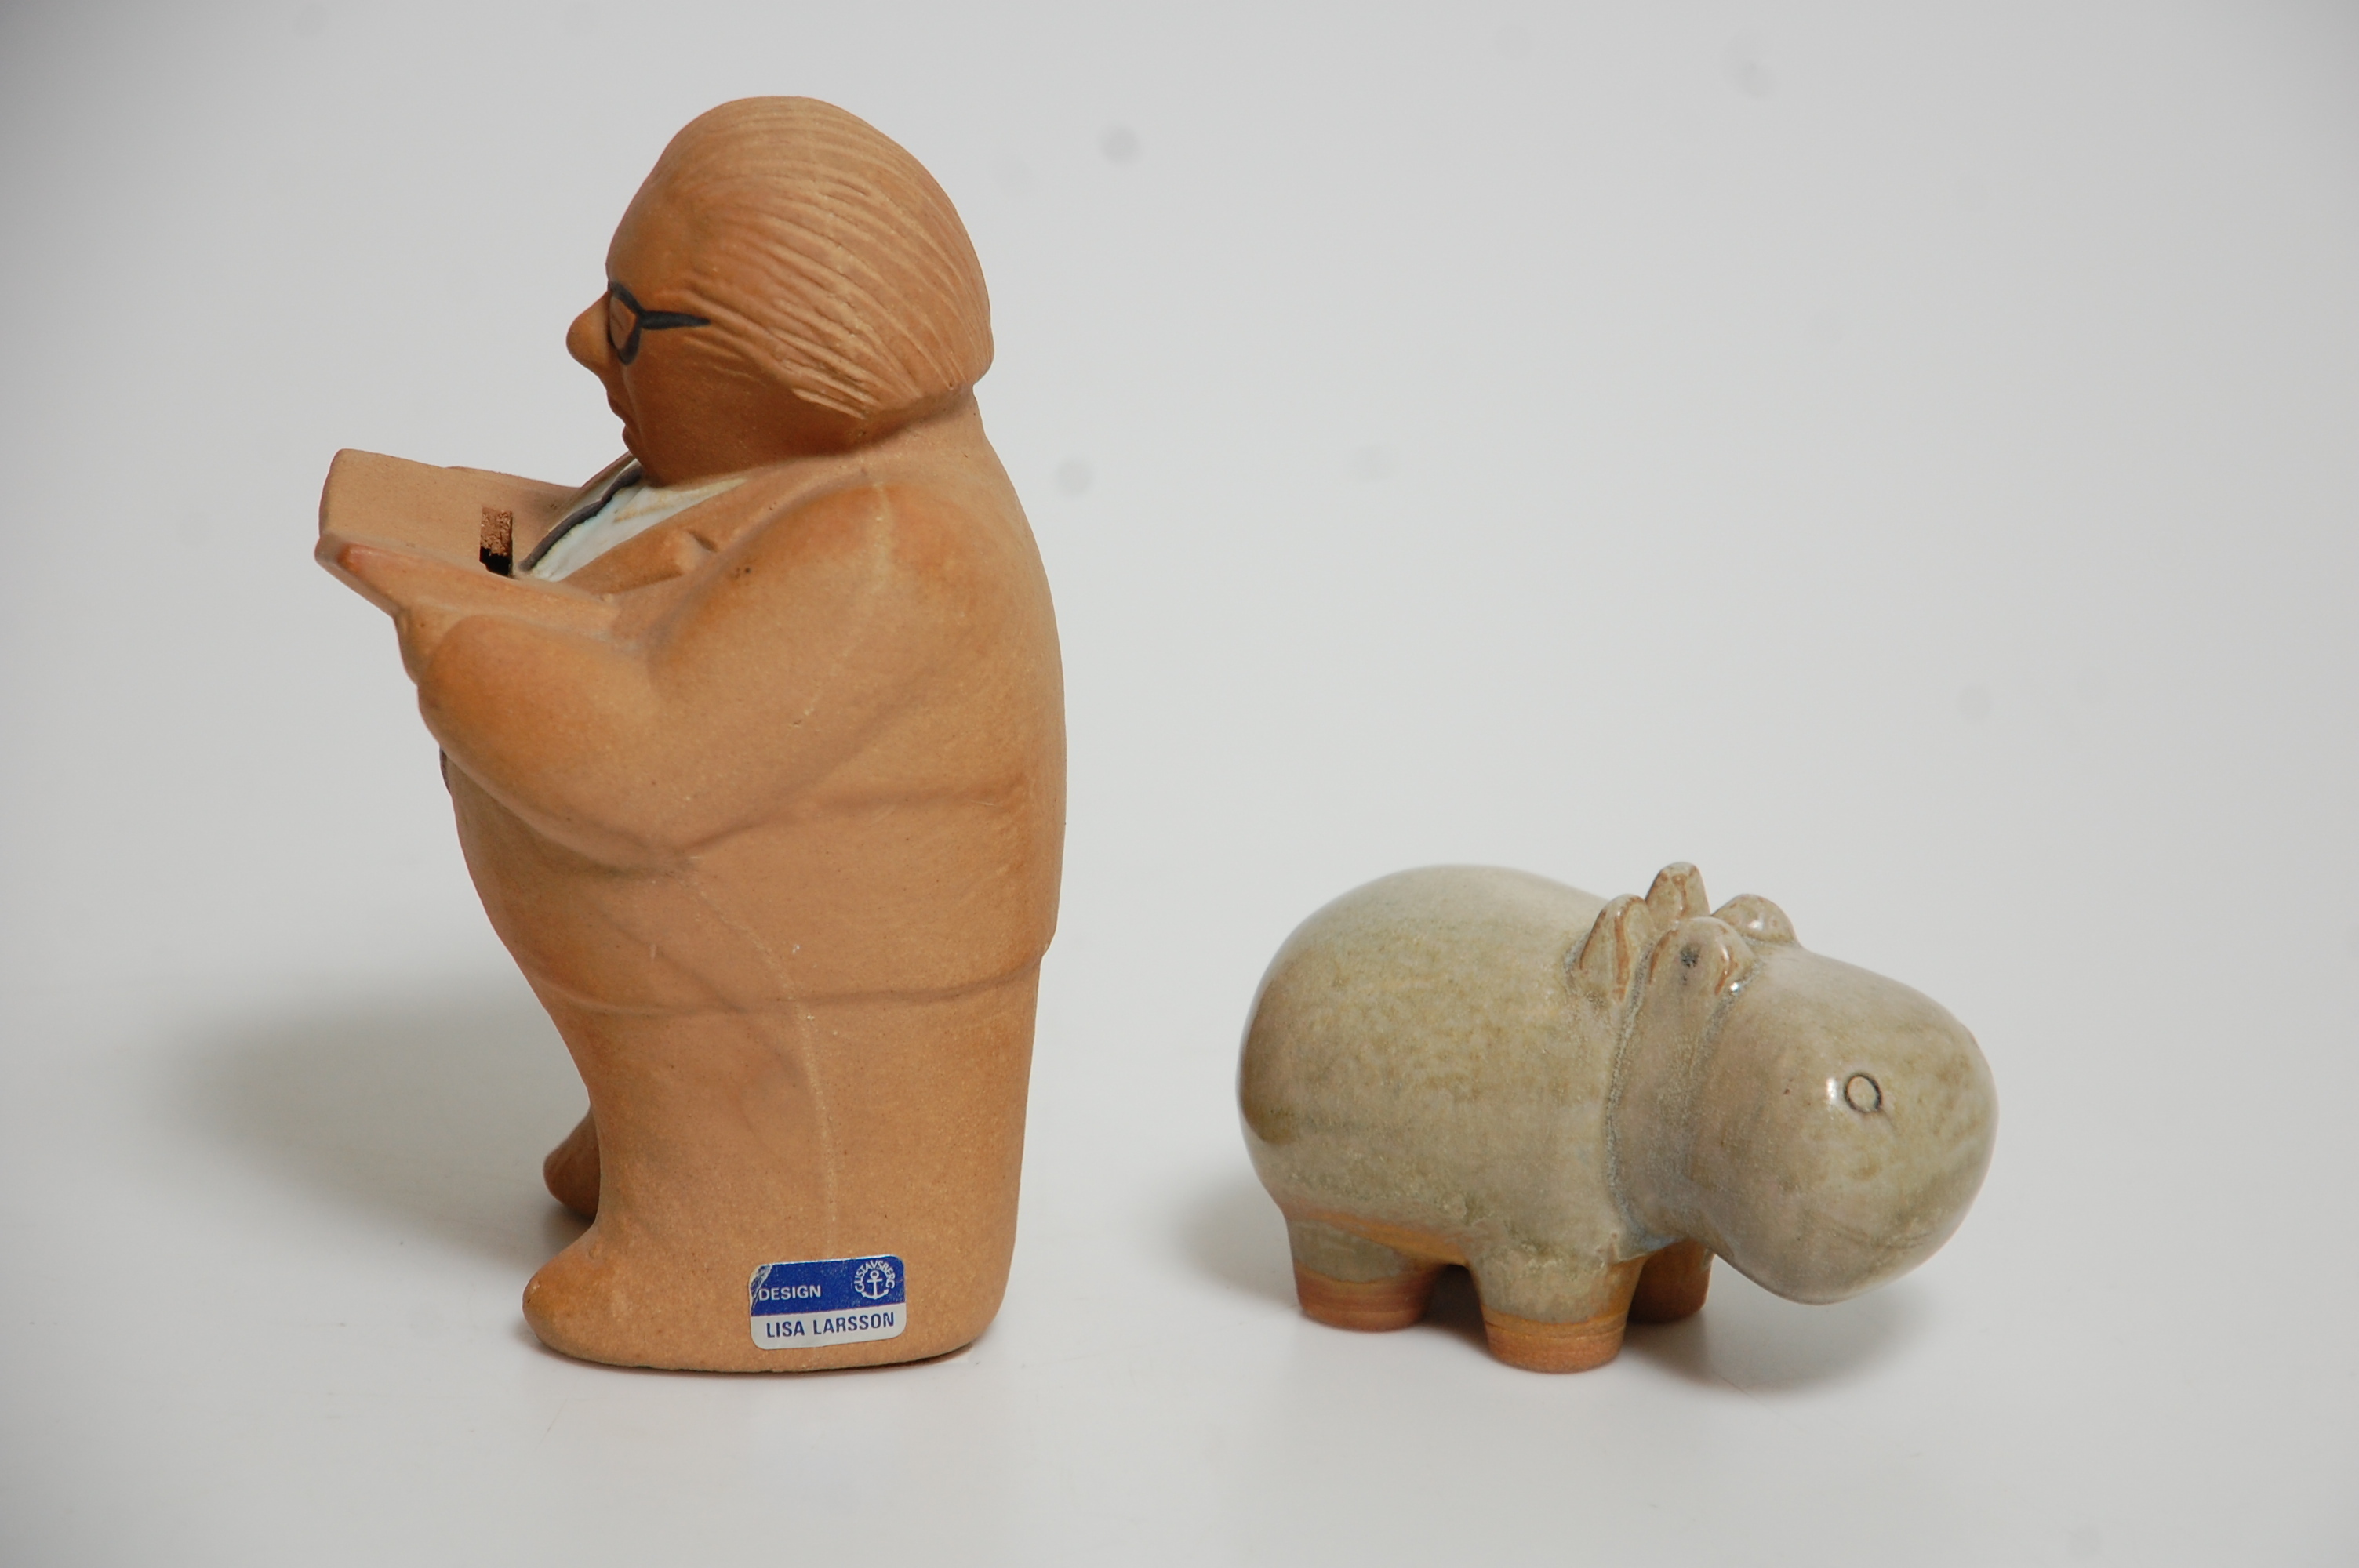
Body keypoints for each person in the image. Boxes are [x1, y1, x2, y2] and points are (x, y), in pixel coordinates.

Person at [318, 98, 1063, 1372]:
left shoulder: (888, 547)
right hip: (720, 1008)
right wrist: (481, 546)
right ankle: (650, 1137)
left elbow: (640, 770)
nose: (583, 341)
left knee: (787, 1151)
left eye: (632, 325)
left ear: (797, 376)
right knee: (685, 1062)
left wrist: (452, 635)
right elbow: (646, 583)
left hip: (812, 1046)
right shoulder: (766, 469)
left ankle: (737, 1252)